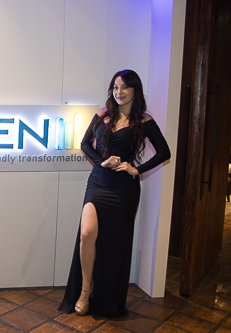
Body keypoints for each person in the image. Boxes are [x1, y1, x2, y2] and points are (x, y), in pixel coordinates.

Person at [58, 69, 171, 318]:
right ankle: (85, 290)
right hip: (98, 182)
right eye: (115, 87)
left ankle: (107, 298)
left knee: (114, 245)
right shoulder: (102, 115)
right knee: (87, 233)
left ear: (135, 90)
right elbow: (85, 143)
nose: (119, 92)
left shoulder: (144, 120)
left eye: (125, 87)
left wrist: (136, 169)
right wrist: (102, 162)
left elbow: (165, 152)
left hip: (124, 190)